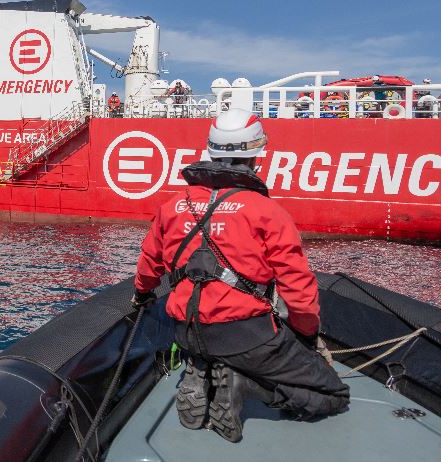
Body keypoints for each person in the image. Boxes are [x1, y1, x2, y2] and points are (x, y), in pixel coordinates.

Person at [131, 109, 349, 442]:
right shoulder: (267, 211)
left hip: (186, 333)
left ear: (211, 150)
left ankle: (202, 369)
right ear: (255, 154)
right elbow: (297, 286)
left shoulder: (172, 206)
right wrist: (306, 337)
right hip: (245, 335)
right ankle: (243, 383)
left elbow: (149, 264)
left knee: (208, 342)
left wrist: (142, 294)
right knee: (334, 395)